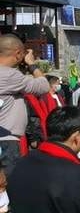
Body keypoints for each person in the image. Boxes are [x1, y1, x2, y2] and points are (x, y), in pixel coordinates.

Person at [0, 35, 50, 175]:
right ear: (17, 54)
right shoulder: (9, 75)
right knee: (8, 187)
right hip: (6, 142)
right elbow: (43, 86)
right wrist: (31, 64)